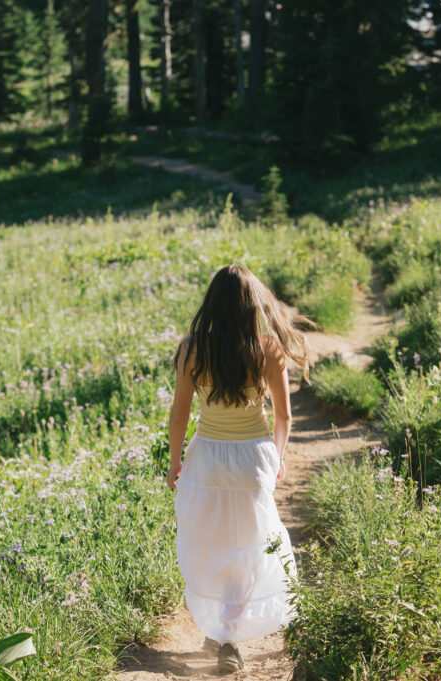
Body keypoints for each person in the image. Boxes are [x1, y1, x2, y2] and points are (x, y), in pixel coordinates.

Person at [166, 264, 311, 673]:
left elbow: (179, 416)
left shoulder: (193, 348)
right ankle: (228, 633)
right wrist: (277, 458)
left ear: (211, 303)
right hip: (251, 461)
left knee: (209, 542)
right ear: (252, 305)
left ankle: (220, 631)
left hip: (208, 458)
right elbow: (283, 417)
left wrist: (176, 461)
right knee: (251, 546)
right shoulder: (268, 349)